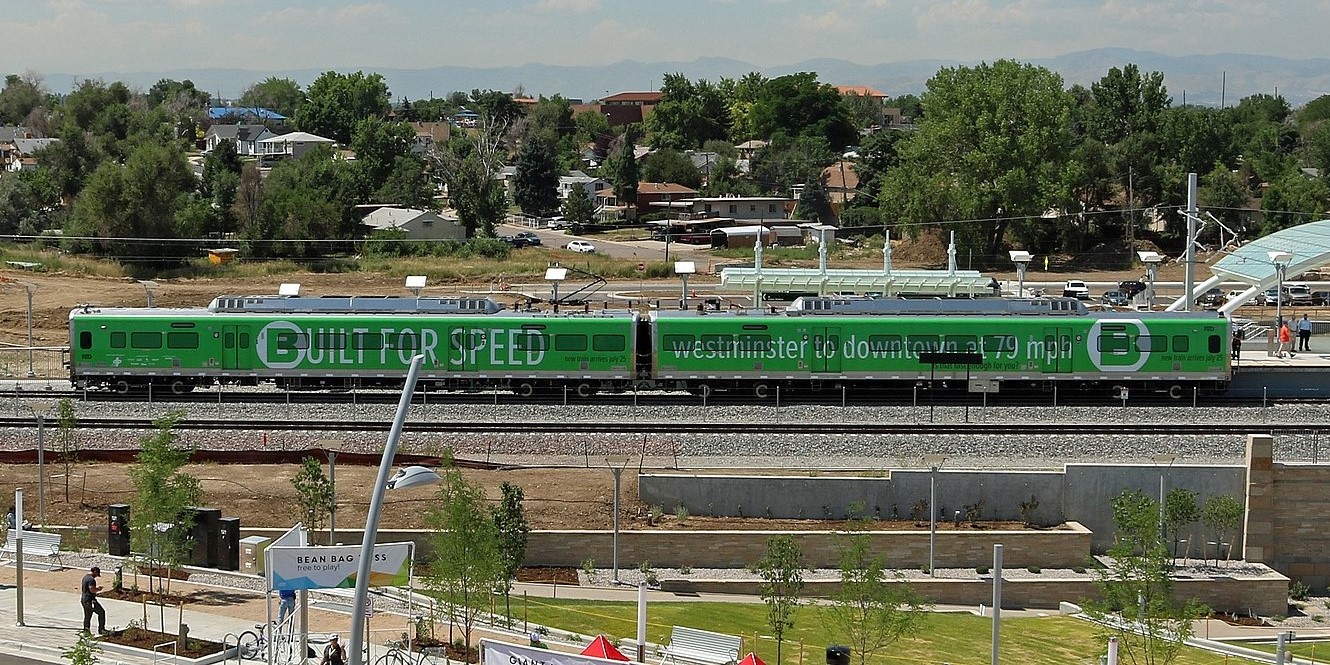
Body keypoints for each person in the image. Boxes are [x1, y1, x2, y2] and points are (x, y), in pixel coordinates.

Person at [81, 566, 106, 634]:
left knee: (87, 616)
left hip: (84, 599)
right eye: (97, 574)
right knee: (101, 612)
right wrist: (98, 589)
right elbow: (92, 589)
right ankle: (101, 629)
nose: (96, 576)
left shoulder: (85, 577)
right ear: (95, 572)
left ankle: (86, 631)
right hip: (90, 600)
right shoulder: (91, 579)